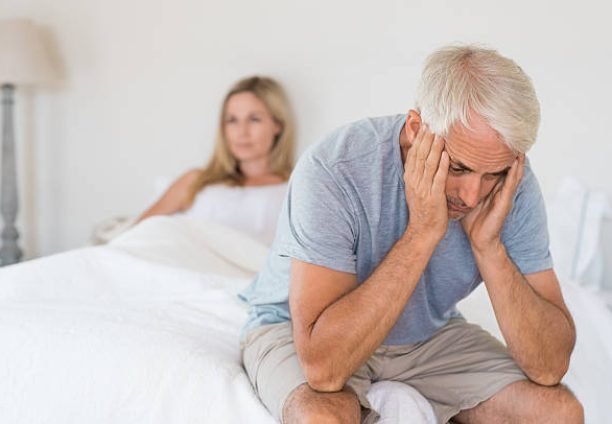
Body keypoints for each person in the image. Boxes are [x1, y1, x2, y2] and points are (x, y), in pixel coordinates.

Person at [239, 45, 584, 423]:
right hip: (301, 330)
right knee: (322, 417)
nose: (472, 196)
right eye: (458, 167)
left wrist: (489, 249)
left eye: (493, 174)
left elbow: (550, 367)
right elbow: (324, 369)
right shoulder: (334, 169)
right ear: (416, 129)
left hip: (425, 337)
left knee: (558, 413)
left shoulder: (512, 185)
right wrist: (422, 232)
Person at [137, 76, 295, 246]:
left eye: (254, 119)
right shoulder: (196, 181)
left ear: (277, 125)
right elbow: (136, 234)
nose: (242, 132)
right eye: (232, 120)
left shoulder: (295, 189)